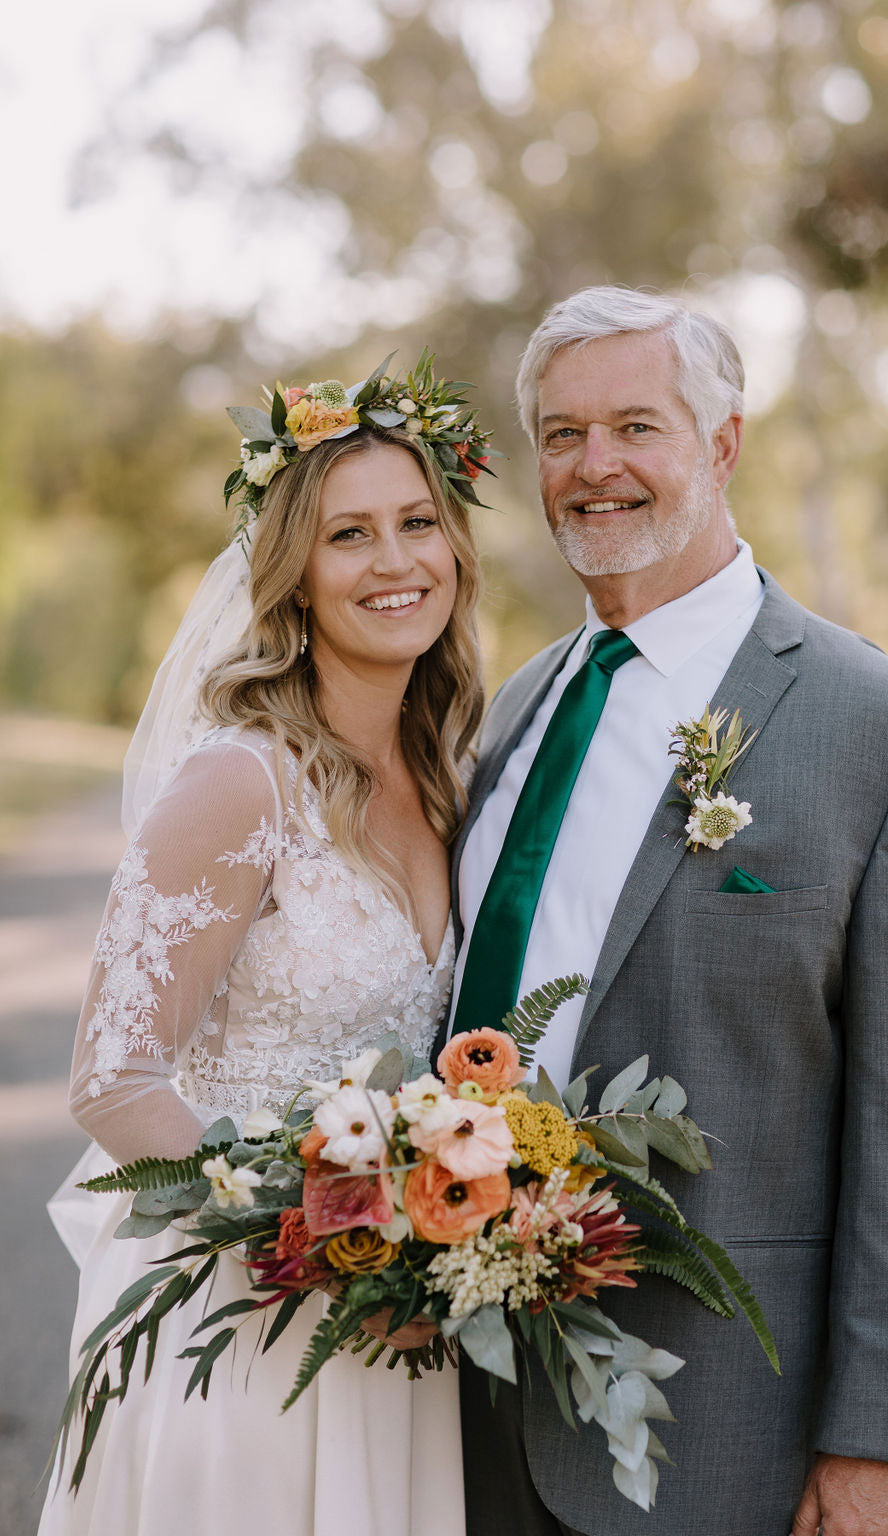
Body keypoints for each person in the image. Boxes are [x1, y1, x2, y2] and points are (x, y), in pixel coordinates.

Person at [450, 286, 888, 1536]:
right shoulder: (511, 713)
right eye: (563, 435)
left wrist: (879, 1452)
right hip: (461, 1410)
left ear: (723, 444)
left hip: (722, 1439)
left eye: (636, 426)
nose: (596, 468)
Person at [39, 359, 492, 1536]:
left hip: (402, 1330)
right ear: (292, 575)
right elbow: (113, 1080)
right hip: (244, 1334)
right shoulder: (240, 783)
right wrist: (340, 1247)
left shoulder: (449, 776)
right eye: (350, 535)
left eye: (416, 524)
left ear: (455, 548)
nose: (395, 563)